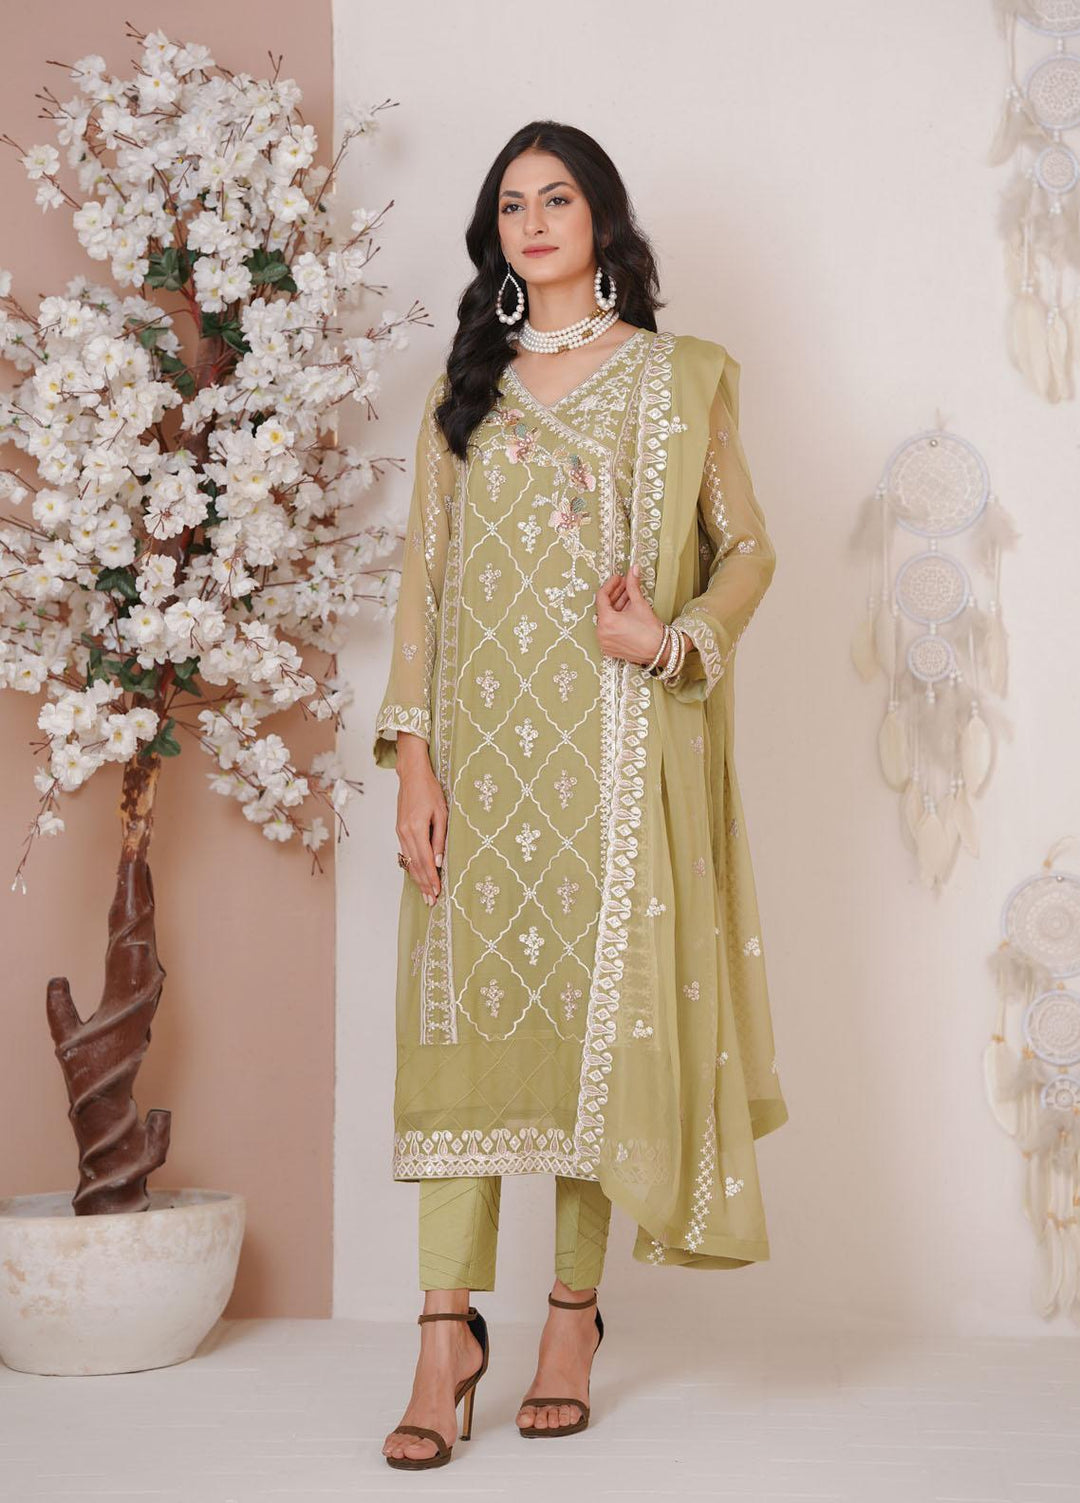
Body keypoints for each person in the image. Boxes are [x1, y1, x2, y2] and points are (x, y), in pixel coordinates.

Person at [373, 119, 788, 1470]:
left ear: (602, 220)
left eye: (558, 198)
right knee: (459, 1042)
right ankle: (444, 1337)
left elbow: (748, 551)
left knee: (589, 1044)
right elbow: (423, 584)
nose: (535, 221)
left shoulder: (678, 380)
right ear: (494, 235)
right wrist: (415, 762)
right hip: (480, 771)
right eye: (512, 204)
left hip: (614, 764)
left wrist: (670, 641)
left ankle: (568, 1322)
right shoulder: (467, 389)